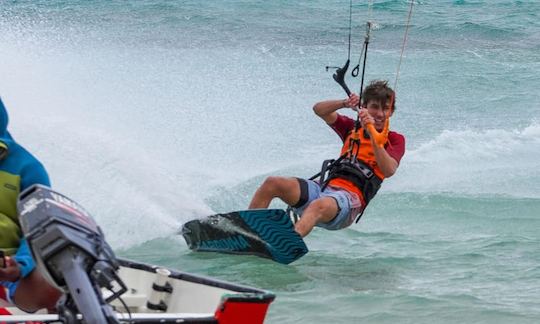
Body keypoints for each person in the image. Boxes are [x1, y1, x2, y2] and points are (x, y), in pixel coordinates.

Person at [249, 80, 405, 237]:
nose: (380, 114)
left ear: (391, 112)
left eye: (386, 109)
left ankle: (286, 243)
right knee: (273, 183)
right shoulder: (351, 128)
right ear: (364, 108)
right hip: (323, 189)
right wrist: (345, 103)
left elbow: (389, 169)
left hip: (348, 202)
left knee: (317, 205)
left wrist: (373, 135)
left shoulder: (395, 139)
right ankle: (248, 231)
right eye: (374, 107)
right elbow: (319, 110)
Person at [0, 97, 61, 312]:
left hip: (9, 266)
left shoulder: (28, 168)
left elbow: (40, 230)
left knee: (54, 288)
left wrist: (20, 265)